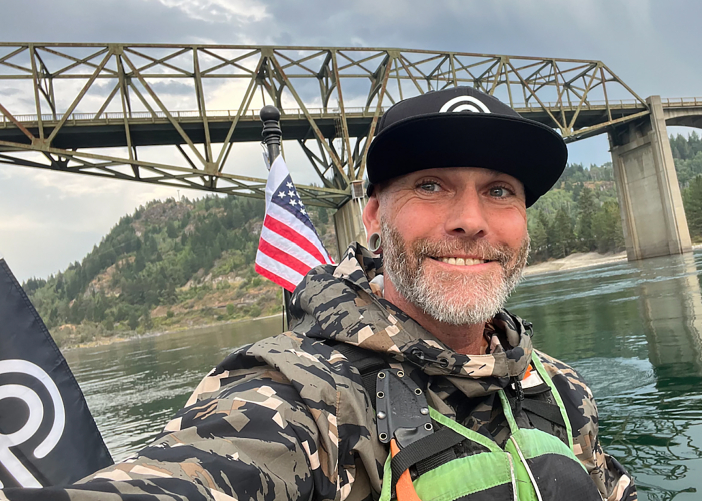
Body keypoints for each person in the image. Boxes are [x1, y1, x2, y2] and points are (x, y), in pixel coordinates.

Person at [0, 87, 636, 501]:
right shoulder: (304, 398)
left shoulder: (559, 389)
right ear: (373, 219)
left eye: (500, 190)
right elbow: (201, 472)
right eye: (431, 186)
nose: (471, 219)